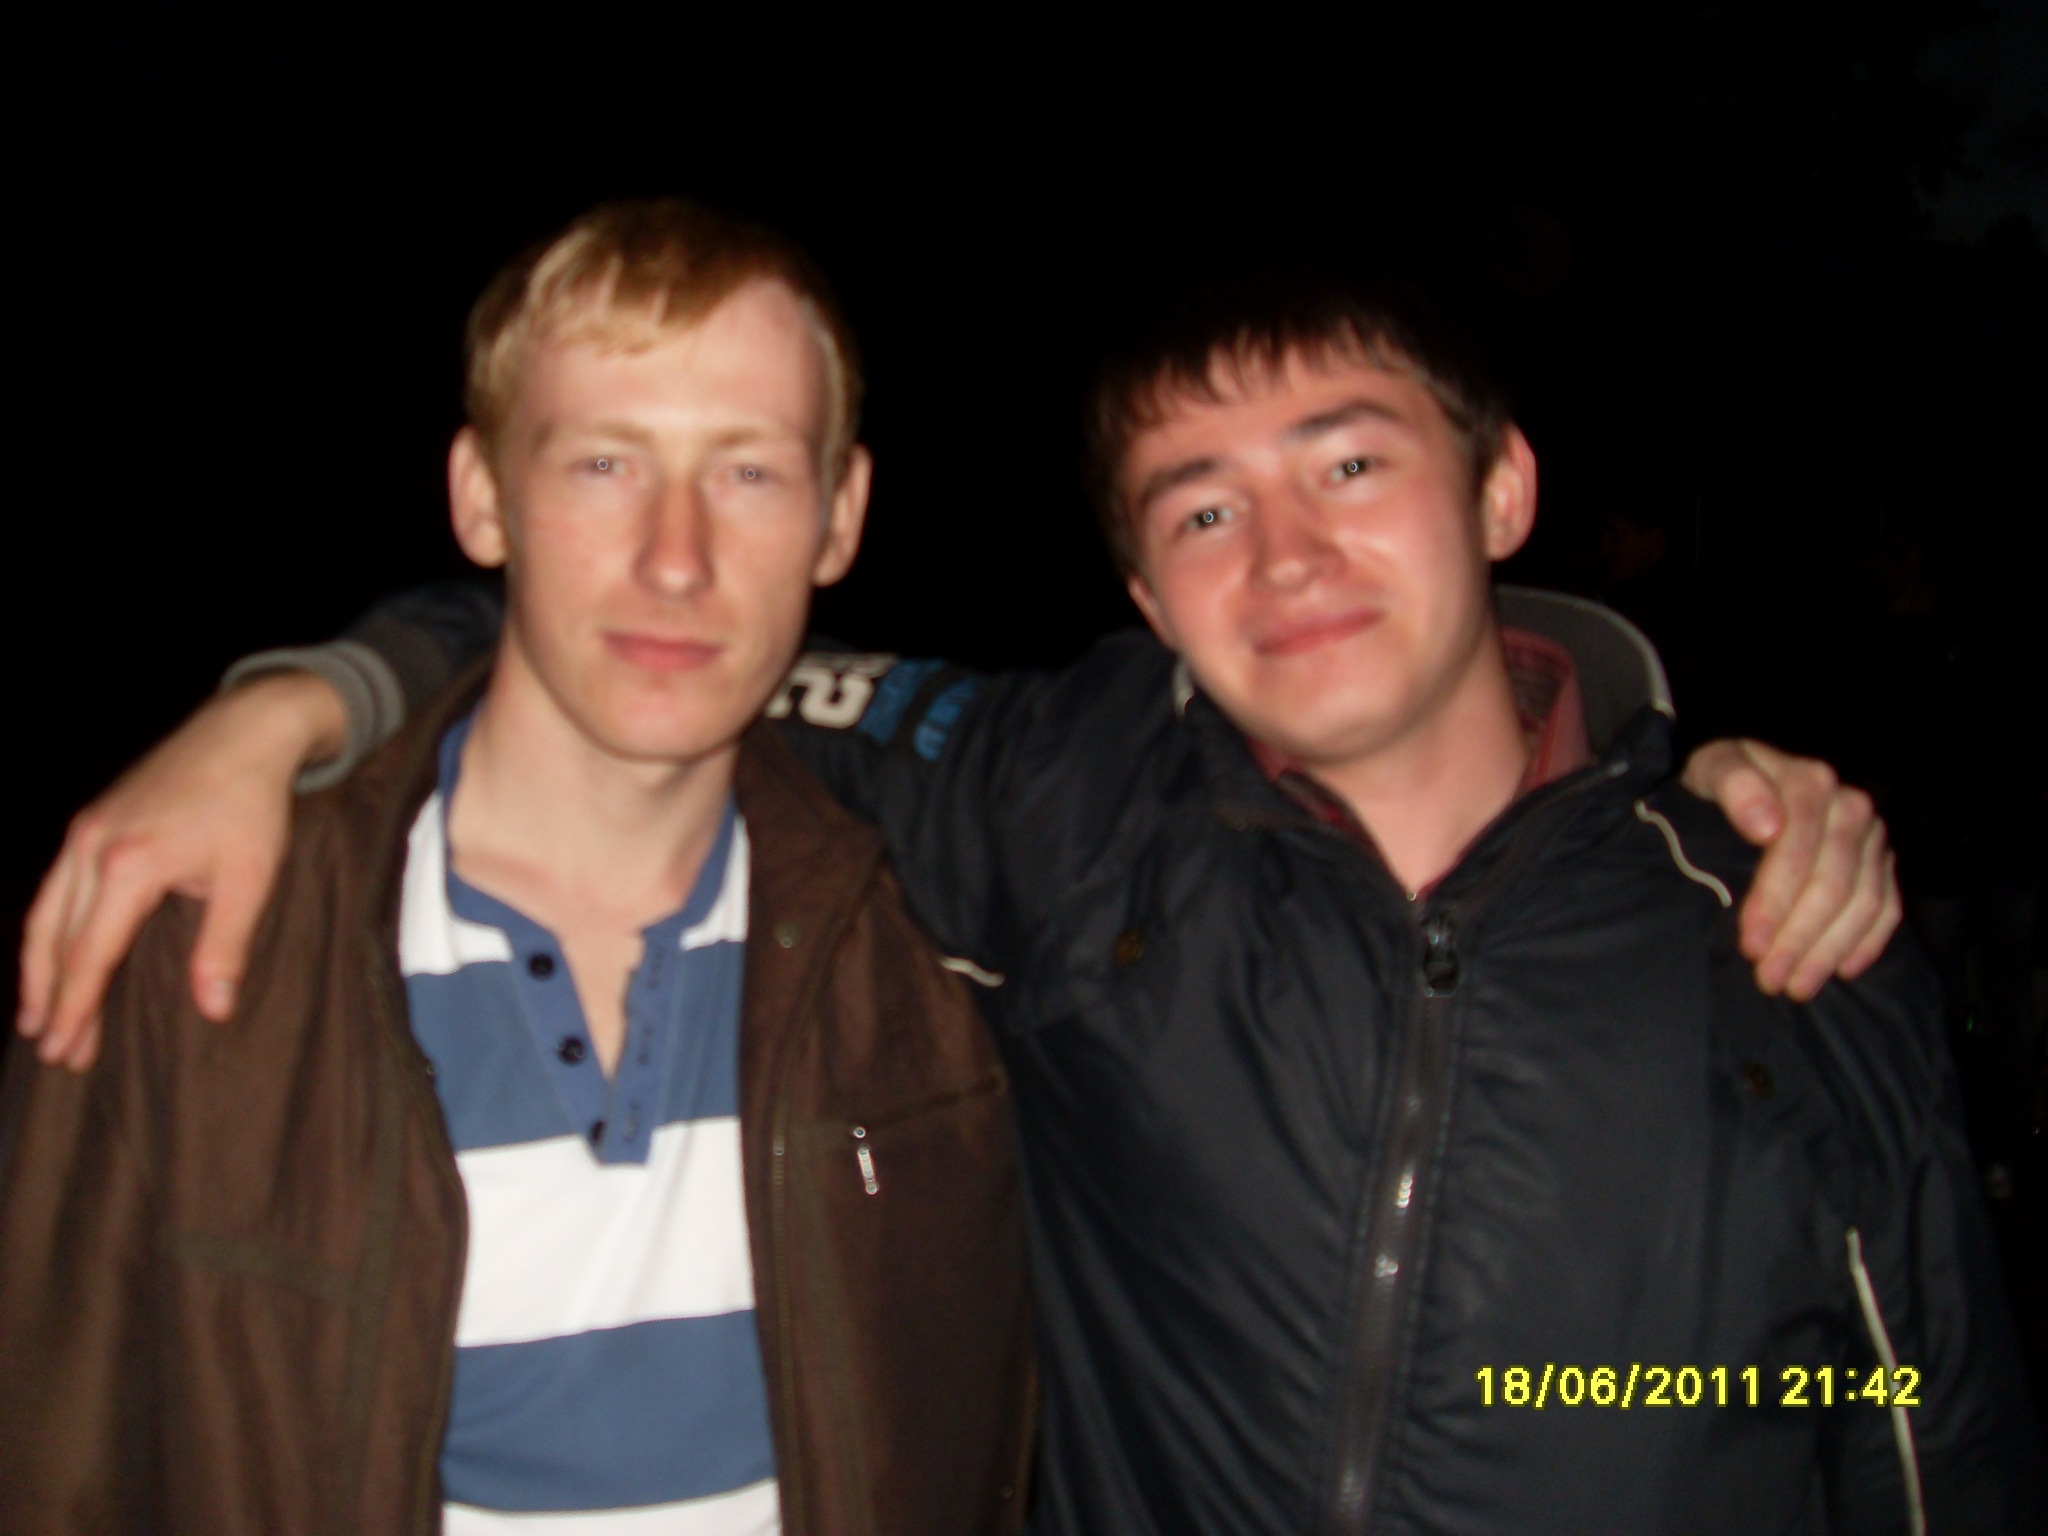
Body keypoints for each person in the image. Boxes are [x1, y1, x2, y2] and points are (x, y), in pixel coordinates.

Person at [11, 263, 1948, 1533]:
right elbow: (656, 638)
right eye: (1204, 508)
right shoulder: (1062, 813)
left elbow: (1931, 1436)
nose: (1285, 554)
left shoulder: (1776, 932)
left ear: (1502, 491)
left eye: (1352, 463)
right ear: (1148, 596)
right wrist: (304, 700)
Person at [0, 201, 1035, 1535]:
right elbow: (53, 1459)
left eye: (748, 473)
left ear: (840, 518)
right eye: (604, 463)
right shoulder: (198, 939)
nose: (677, 558)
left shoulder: (925, 942)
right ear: (483, 496)